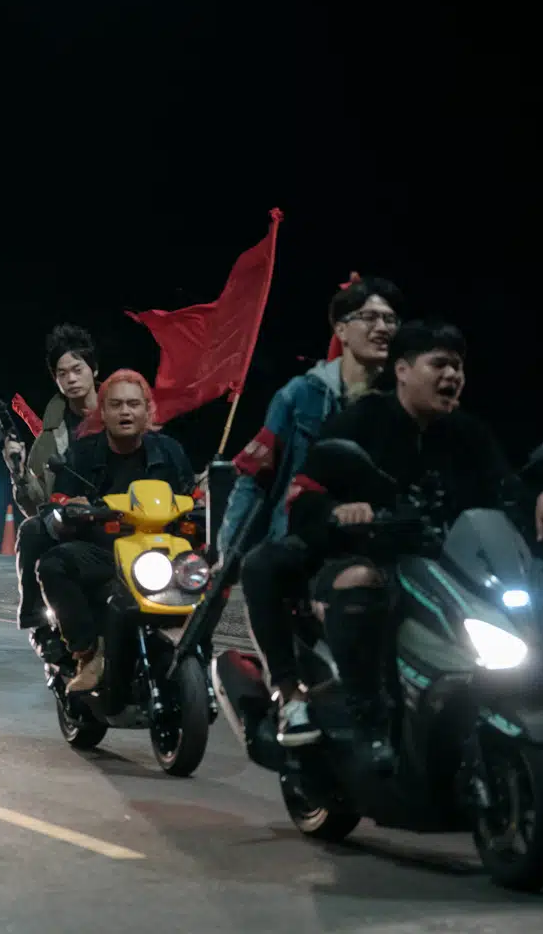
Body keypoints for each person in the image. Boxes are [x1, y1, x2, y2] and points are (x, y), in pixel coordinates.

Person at [286, 320, 543, 768]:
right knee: (361, 581)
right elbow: (303, 495)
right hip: (366, 557)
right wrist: (340, 512)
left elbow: (506, 488)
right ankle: (368, 717)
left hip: (445, 567)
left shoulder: (468, 433)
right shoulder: (361, 422)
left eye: (458, 366)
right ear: (402, 370)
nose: (452, 375)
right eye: (439, 364)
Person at [228, 274, 403, 746]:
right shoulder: (300, 395)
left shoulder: (406, 391)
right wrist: (226, 553)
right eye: (370, 318)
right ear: (341, 329)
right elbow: (256, 474)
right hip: (311, 533)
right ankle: (289, 694)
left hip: (391, 535)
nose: (383, 328)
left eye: (391, 319)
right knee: (261, 566)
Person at [35, 370, 194, 693]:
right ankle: (87, 652)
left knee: (210, 577)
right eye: (116, 404)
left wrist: (206, 500)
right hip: (104, 553)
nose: (125, 412)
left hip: (160, 553)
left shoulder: (170, 451)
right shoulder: (81, 454)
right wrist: (69, 509)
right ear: (102, 412)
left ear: (147, 410)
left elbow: (192, 495)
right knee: (52, 565)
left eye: (134, 404)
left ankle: (196, 650)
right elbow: (55, 507)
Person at [6, 324, 101, 635]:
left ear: (94, 369)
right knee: (32, 529)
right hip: (71, 524)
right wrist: (18, 472)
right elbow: (35, 506)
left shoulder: (122, 414)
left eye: (77, 369)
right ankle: (37, 619)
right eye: (62, 373)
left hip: (123, 521)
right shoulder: (48, 440)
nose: (71, 378)